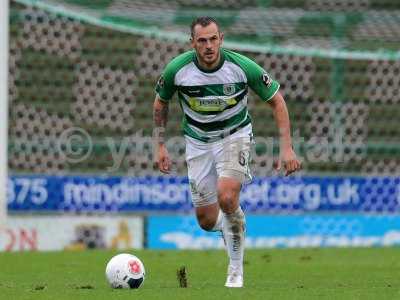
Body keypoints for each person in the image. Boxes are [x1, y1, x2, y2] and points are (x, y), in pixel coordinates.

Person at [153, 16, 301, 288]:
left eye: (213, 39)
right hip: (197, 142)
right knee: (206, 220)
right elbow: (160, 103)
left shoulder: (241, 67)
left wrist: (286, 148)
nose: (208, 46)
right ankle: (233, 225)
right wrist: (160, 144)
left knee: (227, 196)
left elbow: (277, 102)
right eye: (202, 41)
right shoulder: (178, 70)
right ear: (192, 43)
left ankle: (235, 270)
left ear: (221, 38)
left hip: (234, 137)